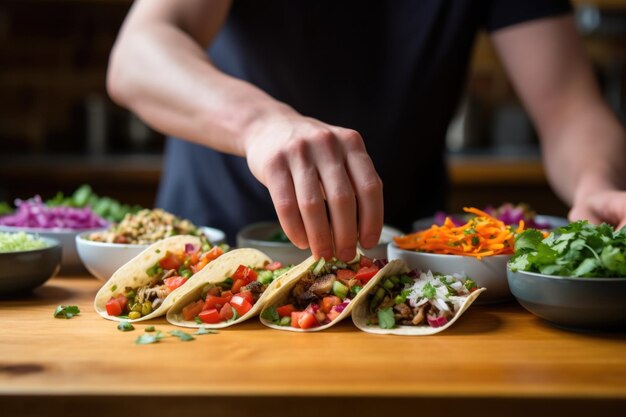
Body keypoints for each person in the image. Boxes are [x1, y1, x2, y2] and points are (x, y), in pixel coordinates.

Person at [106, 0, 626, 262]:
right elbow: (138, 55)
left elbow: (572, 108)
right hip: (208, 251)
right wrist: (262, 123)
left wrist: (595, 183)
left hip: (395, 265)